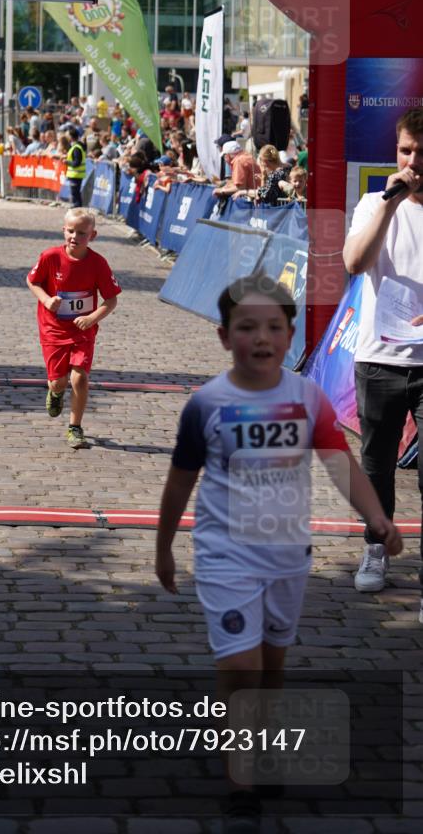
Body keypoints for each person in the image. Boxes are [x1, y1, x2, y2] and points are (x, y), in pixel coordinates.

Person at [156, 273, 402, 831]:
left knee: (271, 663)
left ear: (290, 336)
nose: (261, 338)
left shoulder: (307, 400)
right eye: (247, 327)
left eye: (273, 327)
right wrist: (164, 545)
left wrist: (377, 517)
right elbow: (179, 479)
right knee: (240, 664)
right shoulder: (206, 404)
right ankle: (240, 776)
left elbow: (342, 465)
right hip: (223, 555)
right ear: (224, 336)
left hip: (287, 556)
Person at [342, 108, 423, 612]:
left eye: (421, 153)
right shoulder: (376, 202)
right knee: (377, 462)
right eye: (406, 151)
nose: (413, 161)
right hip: (380, 356)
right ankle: (376, 547)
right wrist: (389, 208)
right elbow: (354, 263)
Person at [26, 207, 121, 449]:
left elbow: (111, 300)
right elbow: (32, 281)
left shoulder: (98, 263)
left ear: (93, 235)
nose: (74, 237)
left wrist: (92, 318)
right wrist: (47, 300)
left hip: (83, 330)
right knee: (58, 381)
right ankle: (56, 393)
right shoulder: (50, 257)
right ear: (63, 230)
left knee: (80, 376)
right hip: (53, 329)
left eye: (81, 233)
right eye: (70, 231)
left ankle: (75, 427)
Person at [65, 127, 86, 209]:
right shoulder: (76, 147)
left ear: (71, 136)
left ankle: (77, 212)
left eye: (67, 135)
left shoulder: (77, 148)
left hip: (76, 174)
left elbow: (77, 162)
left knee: (75, 195)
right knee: (75, 194)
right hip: (75, 174)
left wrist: (67, 162)